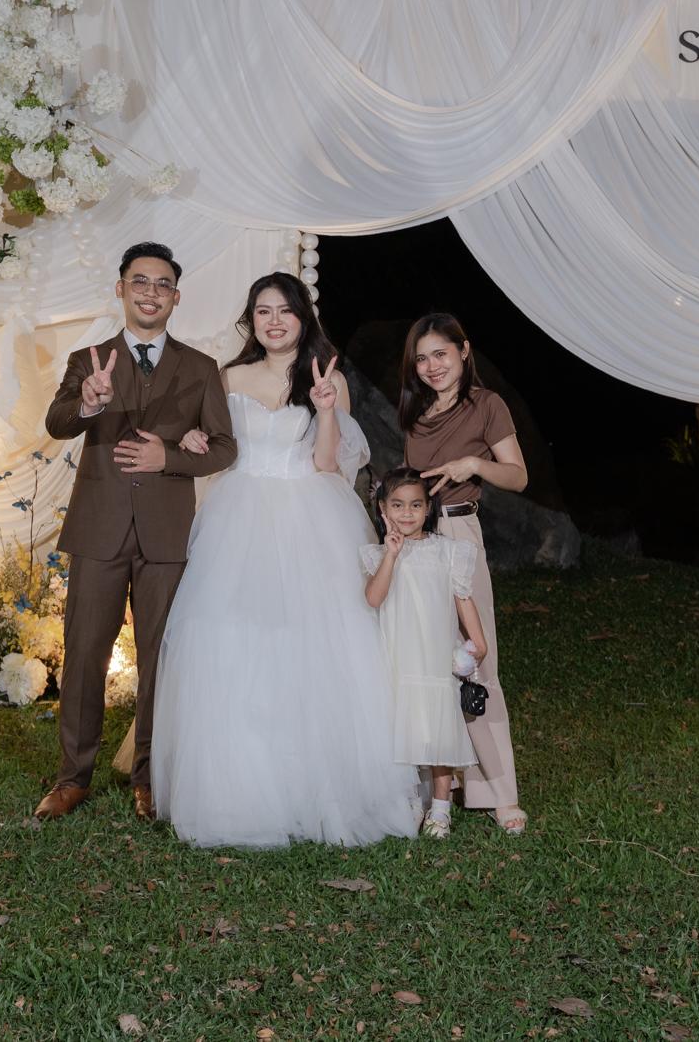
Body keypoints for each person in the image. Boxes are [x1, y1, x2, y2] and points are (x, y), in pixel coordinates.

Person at [152, 272, 420, 847]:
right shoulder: (229, 376)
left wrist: (326, 410)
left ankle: (318, 785)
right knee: (233, 638)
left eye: (285, 311)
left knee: (315, 642)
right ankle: (240, 788)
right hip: (240, 513)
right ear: (251, 319)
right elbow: (217, 445)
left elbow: (328, 465)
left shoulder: (328, 378)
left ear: (303, 317)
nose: (274, 321)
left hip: (308, 514)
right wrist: (195, 440)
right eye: (263, 311)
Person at [37, 243, 236, 822]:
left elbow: (225, 448)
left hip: (167, 535)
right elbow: (57, 423)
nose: (151, 293)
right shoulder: (88, 359)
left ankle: (150, 777)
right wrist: (88, 403)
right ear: (120, 289)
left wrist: (168, 457)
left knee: (160, 661)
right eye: (140, 282)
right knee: (83, 658)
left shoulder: (200, 368)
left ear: (177, 296)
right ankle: (72, 778)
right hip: (98, 530)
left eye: (162, 284)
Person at [399, 313, 530, 834]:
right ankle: (440, 779)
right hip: (416, 542)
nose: (432, 366)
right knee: (426, 664)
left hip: (459, 534)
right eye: (422, 359)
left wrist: (473, 466)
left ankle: (499, 792)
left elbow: (518, 476)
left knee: (476, 658)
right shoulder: (415, 414)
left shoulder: (487, 406)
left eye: (441, 354)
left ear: (464, 351)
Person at [361, 468, 488, 840]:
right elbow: (374, 598)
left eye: (415, 505)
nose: (407, 513)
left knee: (437, 730)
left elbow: (463, 598)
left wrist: (478, 642)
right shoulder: (380, 554)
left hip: (433, 657)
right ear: (383, 509)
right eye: (398, 505)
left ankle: (441, 807)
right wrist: (391, 554)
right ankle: (412, 798)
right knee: (404, 726)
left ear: (428, 507)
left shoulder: (447, 551)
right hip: (398, 655)